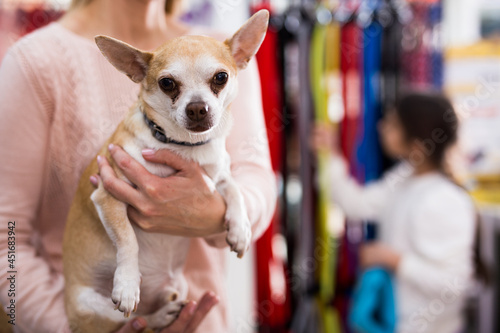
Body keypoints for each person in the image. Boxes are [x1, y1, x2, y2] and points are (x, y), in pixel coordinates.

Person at [0, 0, 276, 332]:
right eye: (170, 85)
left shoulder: (222, 48)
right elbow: (6, 240)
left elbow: (257, 178)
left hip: (202, 320)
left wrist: (214, 212)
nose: (199, 108)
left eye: (216, 80)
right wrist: (70, 327)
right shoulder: (35, 62)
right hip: (91, 314)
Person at [311, 92, 483, 333]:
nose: (382, 127)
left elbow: (455, 285)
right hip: (393, 323)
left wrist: (394, 260)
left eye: (392, 124)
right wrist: (329, 155)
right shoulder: (403, 179)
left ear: (417, 145)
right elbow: (356, 204)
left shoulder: (447, 201)